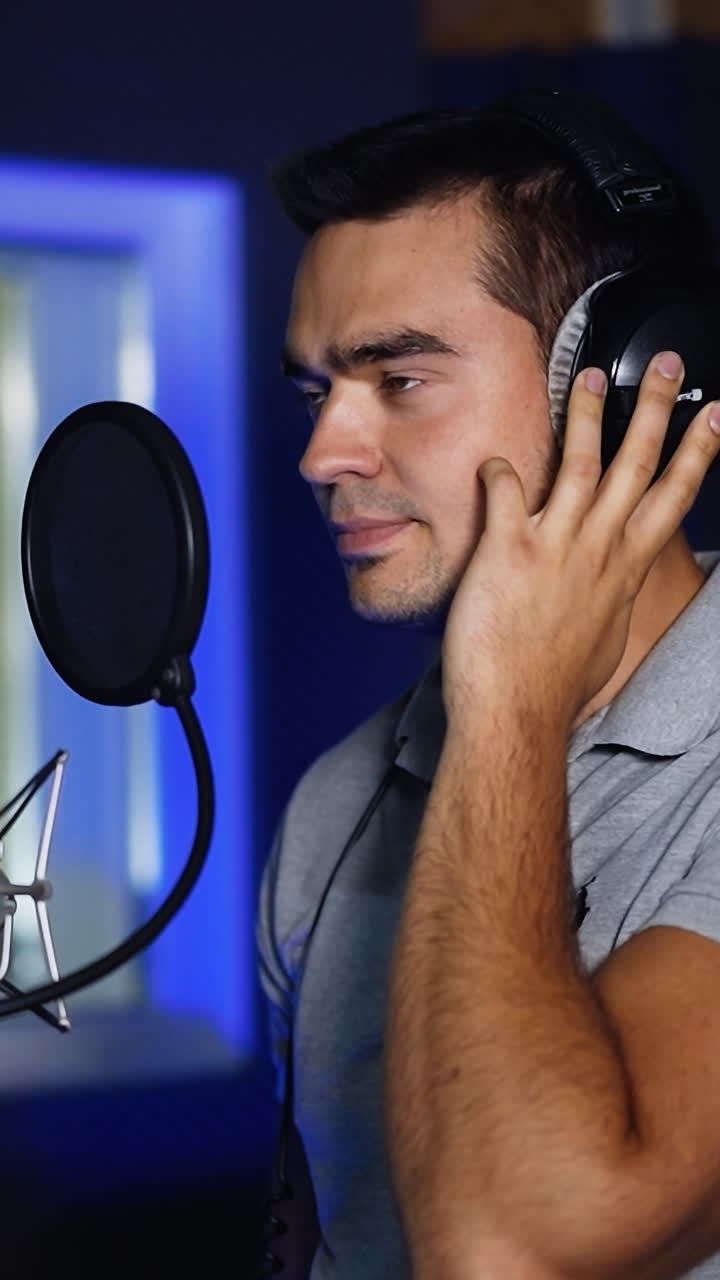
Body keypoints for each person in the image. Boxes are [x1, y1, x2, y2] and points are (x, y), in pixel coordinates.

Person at [256, 92, 720, 1279]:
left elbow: (515, 1246)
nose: (321, 454)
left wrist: (511, 701)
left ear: (629, 380)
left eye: (399, 377)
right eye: (316, 392)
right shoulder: (336, 808)